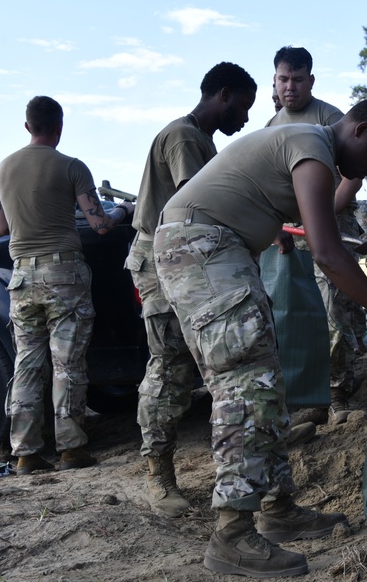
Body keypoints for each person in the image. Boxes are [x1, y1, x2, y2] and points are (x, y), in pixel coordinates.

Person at [153, 98, 367, 578]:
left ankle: (278, 509)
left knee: (265, 377)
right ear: (360, 129)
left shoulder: (310, 147)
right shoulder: (311, 145)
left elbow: (316, 232)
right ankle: (232, 536)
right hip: (202, 245)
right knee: (245, 383)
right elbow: (325, 252)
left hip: (219, 245)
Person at [128, 63, 271, 518]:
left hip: (184, 260)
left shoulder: (200, 139)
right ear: (224, 95)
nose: (246, 120)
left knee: (202, 364)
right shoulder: (186, 138)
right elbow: (201, 201)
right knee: (169, 366)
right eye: (244, 108)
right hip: (165, 262)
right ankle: (158, 475)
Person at [0, 95, 134, 476]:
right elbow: (101, 225)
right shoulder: (72, 167)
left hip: (22, 278)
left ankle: (25, 453)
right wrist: (124, 211)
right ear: (60, 126)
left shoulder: (2, 170)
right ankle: (71, 449)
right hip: (63, 275)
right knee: (67, 364)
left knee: (27, 364)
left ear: (27, 126)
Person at [268, 45, 363, 425]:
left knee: (333, 311)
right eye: (283, 79)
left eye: (297, 79)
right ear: (274, 81)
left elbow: (353, 176)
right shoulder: (272, 126)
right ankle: (308, 392)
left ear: (311, 80)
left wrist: (325, 213)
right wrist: (277, 227)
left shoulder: (328, 117)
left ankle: (339, 391)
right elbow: (268, 184)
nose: (290, 87)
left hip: (331, 227)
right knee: (295, 313)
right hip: (292, 233)